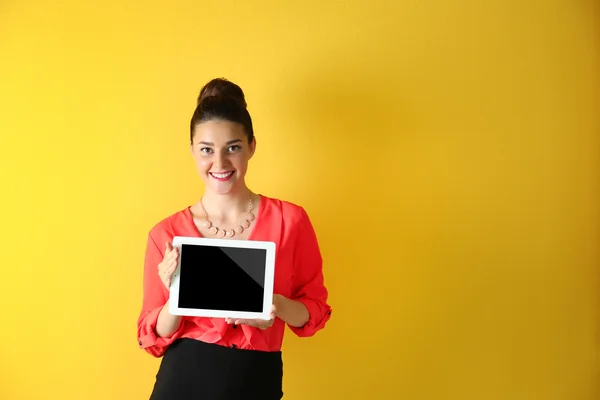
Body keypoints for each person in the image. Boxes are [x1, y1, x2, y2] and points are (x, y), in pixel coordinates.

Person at [136, 78, 332, 399]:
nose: (220, 163)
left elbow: (314, 312)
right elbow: (154, 337)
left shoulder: (291, 221)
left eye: (233, 148)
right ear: (192, 151)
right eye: (206, 150)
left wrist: (274, 305)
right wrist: (176, 295)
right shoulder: (166, 234)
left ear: (252, 146)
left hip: (256, 380)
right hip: (183, 379)